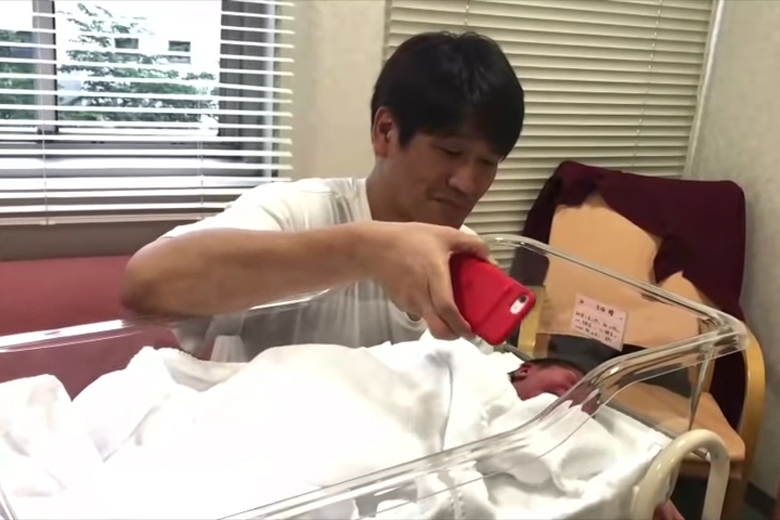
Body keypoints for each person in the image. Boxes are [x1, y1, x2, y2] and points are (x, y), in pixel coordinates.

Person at [121, 31, 525, 359]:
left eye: (487, 162)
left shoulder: (465, 256)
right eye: (450, 152)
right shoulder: (297, 211)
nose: (469, 183)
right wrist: (371, 249)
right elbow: (146, 285)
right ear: (385, 132)